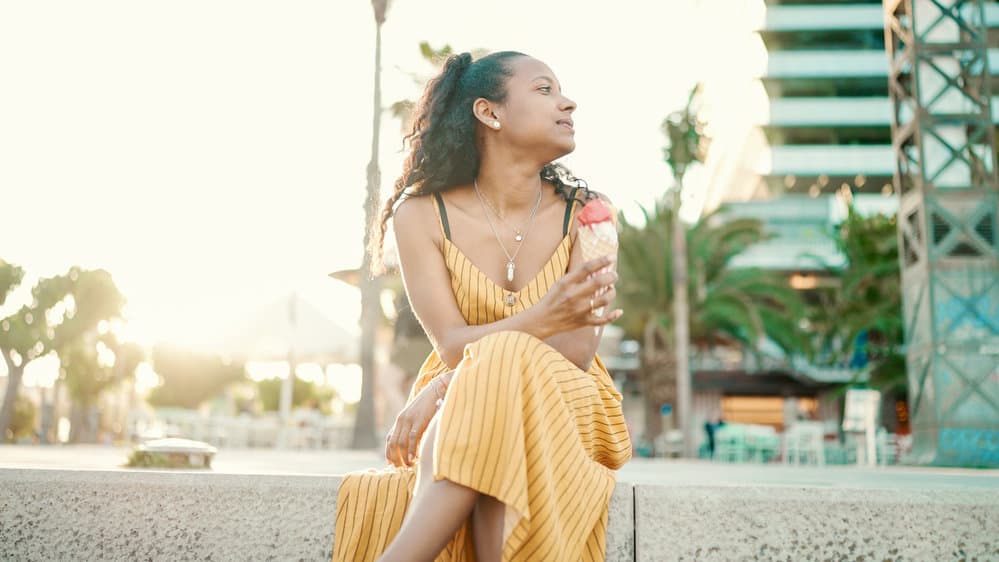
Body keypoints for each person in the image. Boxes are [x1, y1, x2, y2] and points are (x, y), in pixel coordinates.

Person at [332, 50, 632, 562]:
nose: (568, 103)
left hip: (569, 400)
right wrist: (539, 318)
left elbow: (578, 349)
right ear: (489, 113)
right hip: (470, 402)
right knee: (495, 394)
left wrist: (447, 387)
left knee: (497, 366)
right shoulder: (420, 216)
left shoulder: (595, 217)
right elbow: (449, 344)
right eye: (545, 90)